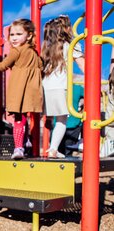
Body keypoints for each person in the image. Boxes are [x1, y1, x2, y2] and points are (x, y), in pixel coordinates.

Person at [0, 18, 43, 159]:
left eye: (18, 34)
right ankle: (26, 141)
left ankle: (18, 148)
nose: (14, 38)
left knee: (18, 119)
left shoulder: (16, 51)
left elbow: (3, 66)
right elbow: (41, 67)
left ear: (30, 35)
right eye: (12, 34)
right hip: (31, 90)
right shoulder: (34, 53)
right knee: (24, 117)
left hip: (19, 89)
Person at [41, 15, 85, 158]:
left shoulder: (48, 48)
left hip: (45, 87)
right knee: (61, 120)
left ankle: (38, 146)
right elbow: (83, 65)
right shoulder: (71, 45)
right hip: (60, 87)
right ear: (66, 30)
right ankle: (53, 149)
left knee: (47, 117)